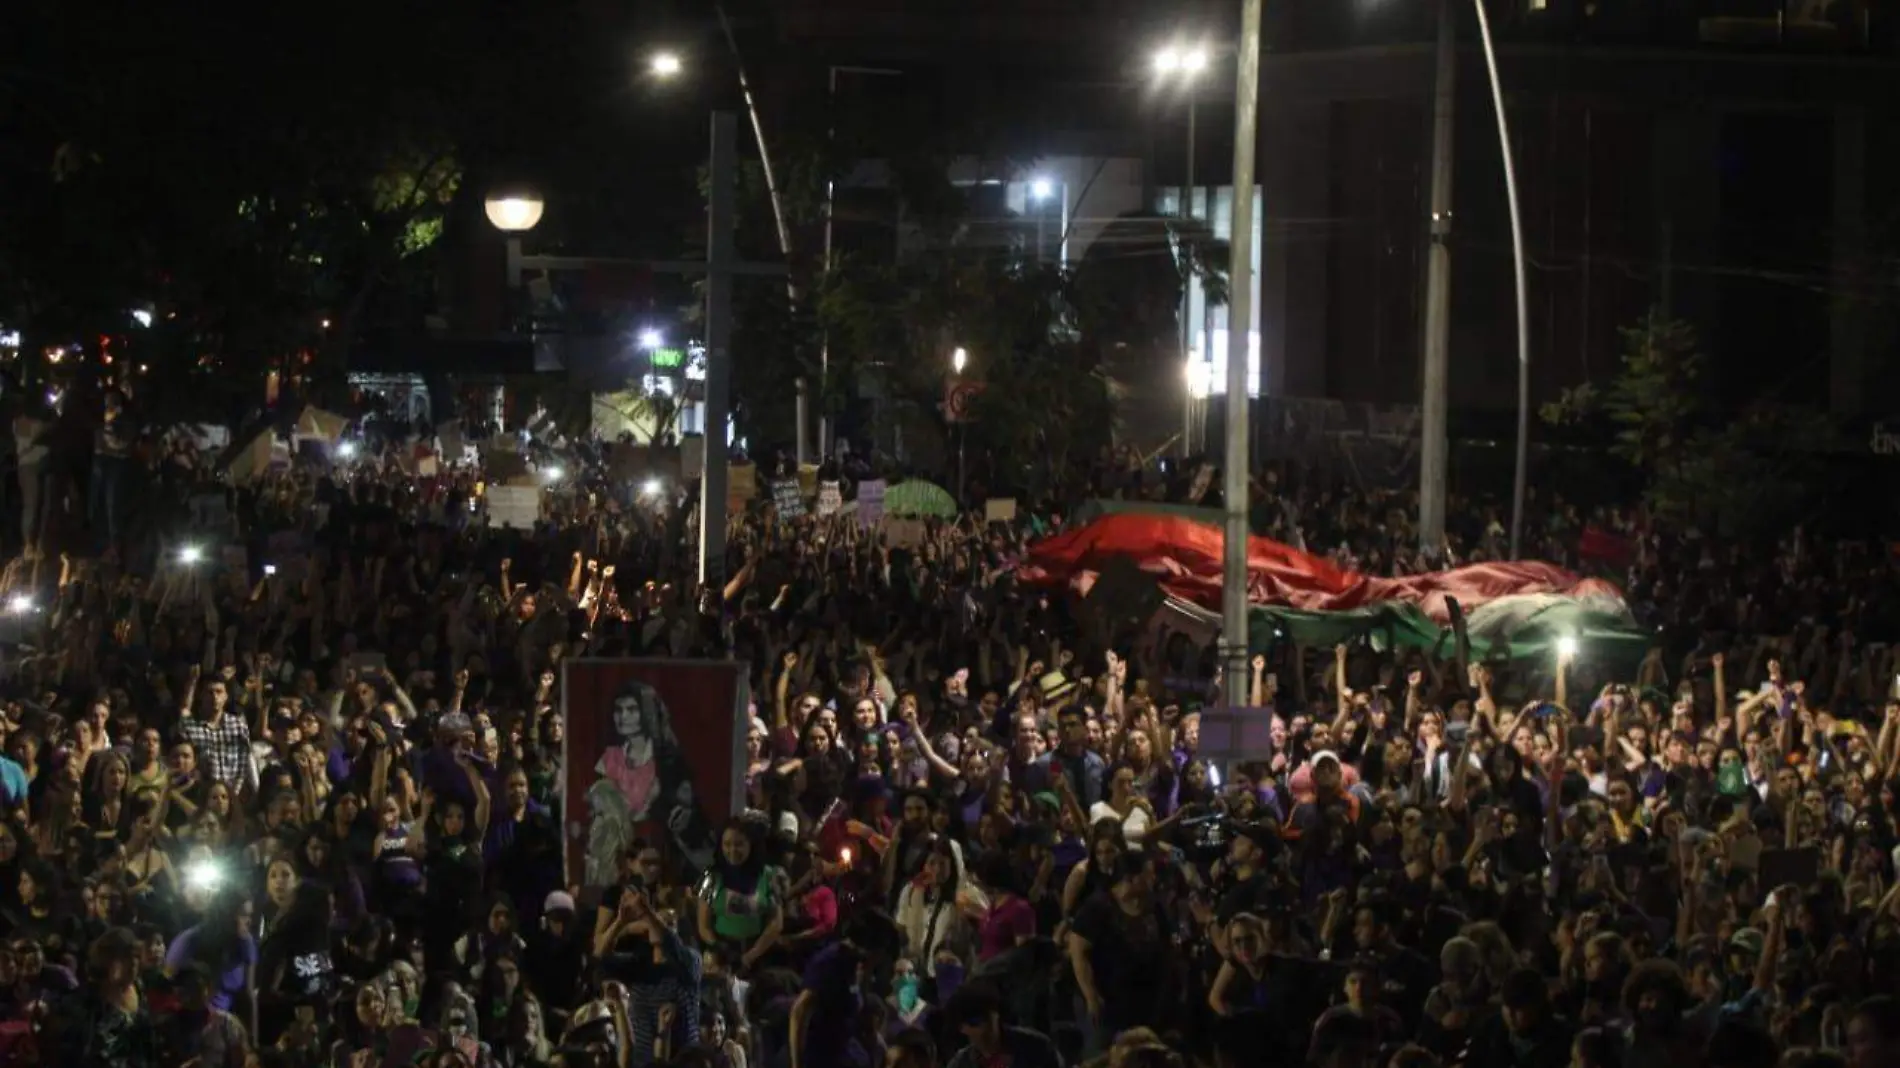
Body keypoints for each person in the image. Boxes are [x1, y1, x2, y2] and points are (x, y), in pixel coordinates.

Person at [587, 678, 713, 883]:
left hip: (662, 854)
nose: (623, 717)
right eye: (618, 710)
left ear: (646, 712)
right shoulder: (610, 759)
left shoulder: (668, 761)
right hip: (621, 855)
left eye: (631, 710)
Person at [940, 982, 1060, 1068]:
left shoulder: (1036, 1047)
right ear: (962, 1028)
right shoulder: (961, 1064)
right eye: (975, 1022)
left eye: (988, 1018)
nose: (985, 1027)